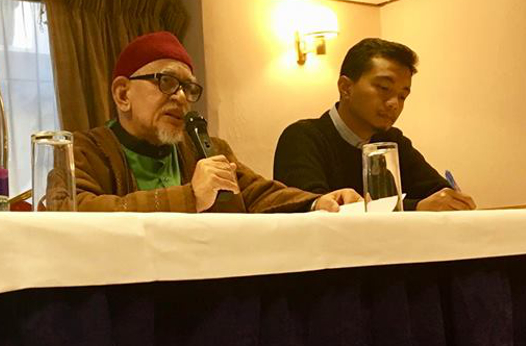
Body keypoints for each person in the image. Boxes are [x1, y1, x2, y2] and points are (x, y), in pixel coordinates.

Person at [73, 31, 360, 213]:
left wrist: (316, 202)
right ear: (123, 94)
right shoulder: (84, 151)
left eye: (189, 88)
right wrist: (190, 197)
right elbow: (73, 209)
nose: (182, 97)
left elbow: (256, 192)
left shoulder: (205, 148)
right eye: (168, 82)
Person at [273, 38, 476, 212]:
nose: (394, 103)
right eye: (384, 88)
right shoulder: (303, 138)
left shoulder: (392, 141)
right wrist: (417, 207)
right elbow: (318, 210)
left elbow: (437, 192)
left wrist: (450, 201)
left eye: (403, 96)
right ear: (345, 88)